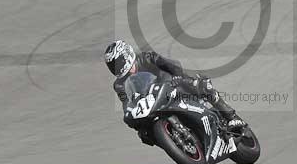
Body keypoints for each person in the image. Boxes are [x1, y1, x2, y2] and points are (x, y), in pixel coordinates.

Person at [104, 40, 246, 140]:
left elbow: (171, 65)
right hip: (152, 102)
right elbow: (126, 104)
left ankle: (230, 116)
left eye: (118, 62)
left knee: (201, 85)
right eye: (113, 66)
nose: (117, 68)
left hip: (172, 86)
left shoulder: (147, 58)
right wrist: (133, 121)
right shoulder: (119, 85)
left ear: (127, 54)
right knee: (145, 134)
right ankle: (176, 140)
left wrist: (177, 76)